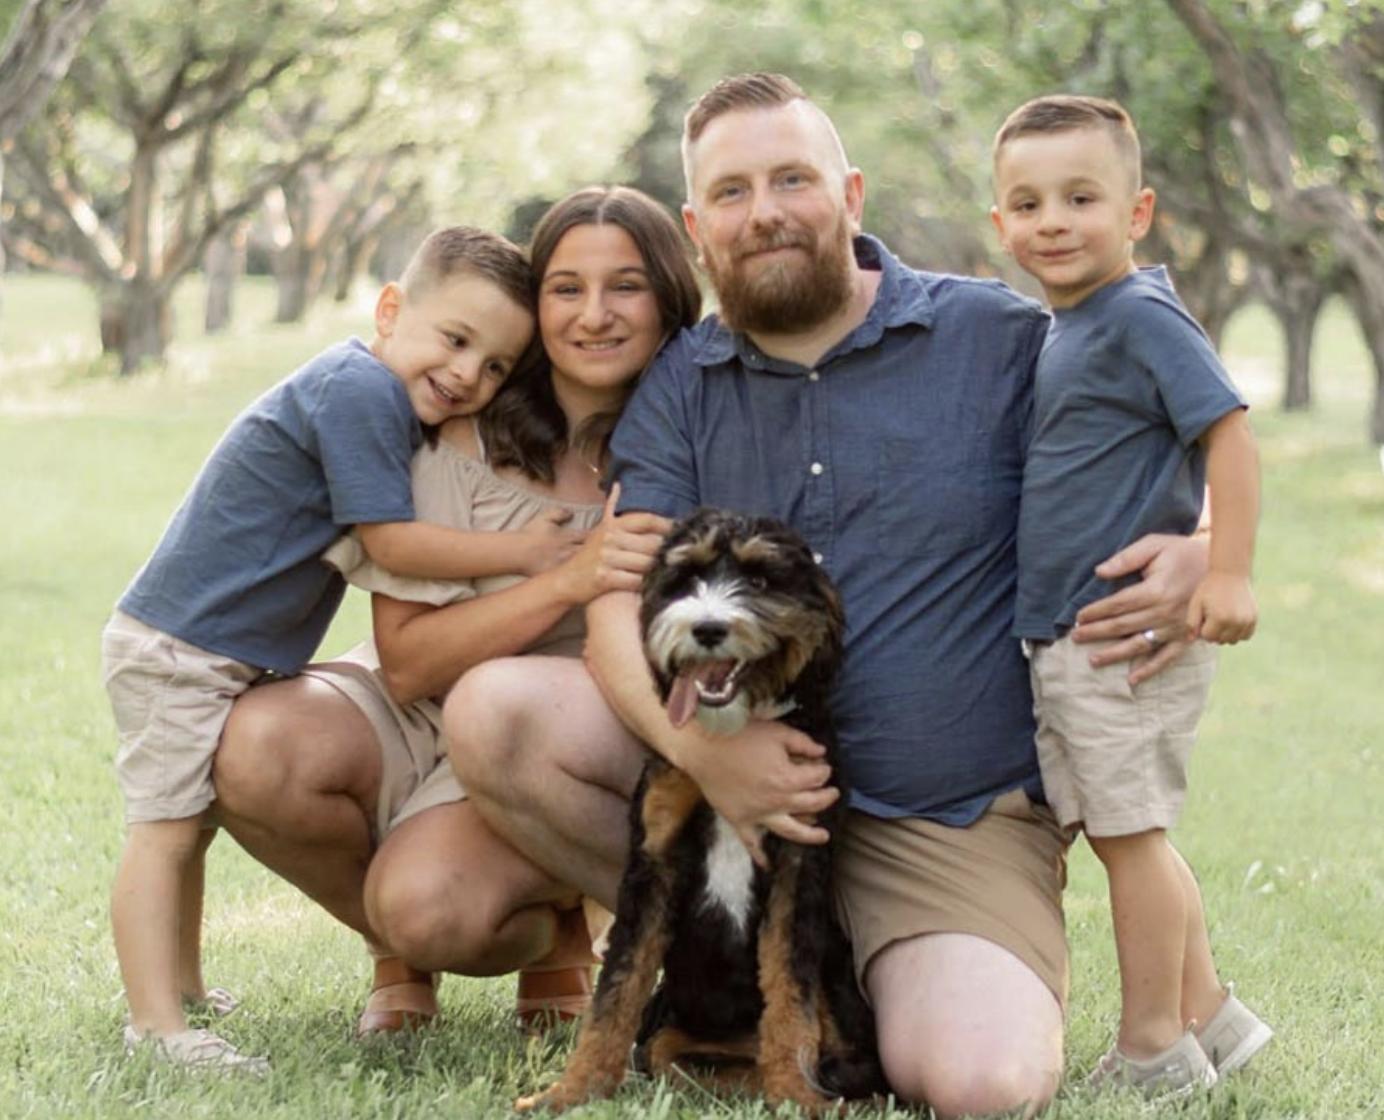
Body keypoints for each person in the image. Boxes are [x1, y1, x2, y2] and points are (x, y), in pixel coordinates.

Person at [445, 73, 1216, 1119]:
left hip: (940, 818)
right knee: (496, 713)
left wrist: (1200, 546)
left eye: (791, 179)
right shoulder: (681, 381)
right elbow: (618, 610)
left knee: (980, 1086)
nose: (762, 211)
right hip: (730, 779)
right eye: (730, 191)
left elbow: (1147, 441)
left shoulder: (994, 337)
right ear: (696, 225)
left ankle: (883, 971)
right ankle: (715, 955)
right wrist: (708, 754)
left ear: (849, 192)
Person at [210, 186, 701, 1036]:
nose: (593, 315)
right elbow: (406, 663)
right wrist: (560, 579)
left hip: (561, 735)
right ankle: (400, 958)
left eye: (626, 286)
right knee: (256, 748)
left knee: (435, 906)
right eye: (565, 288)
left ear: (670, 297)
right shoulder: (466, 436)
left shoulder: (699, 435)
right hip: (425, 701)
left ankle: (556, 938)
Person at [102, 226, 554, 1071]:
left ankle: (187, 986)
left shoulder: (375, 394)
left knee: (192, 827)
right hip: (178, 653)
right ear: (390, 310)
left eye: (495, 366)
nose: (468, 375)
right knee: (162, 833)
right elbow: (394, 542)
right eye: (455, 340)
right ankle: (155, 1026)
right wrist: (530, 554)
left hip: (209, 651)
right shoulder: (358, 391)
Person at [990, 93, 1272, 1096]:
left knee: (1128, 837)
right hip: (1069, 634)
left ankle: (1152, 1041)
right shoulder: (1067, 325)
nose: (1052, 221)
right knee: (1127, 830)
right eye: (1026, 203)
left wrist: (1226, 568)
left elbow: (1229, 432)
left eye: (1080, 197)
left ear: (1138, 211)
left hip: (1121, 635)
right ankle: (1212, 1015)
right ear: (999, 225)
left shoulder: (1141, 313)